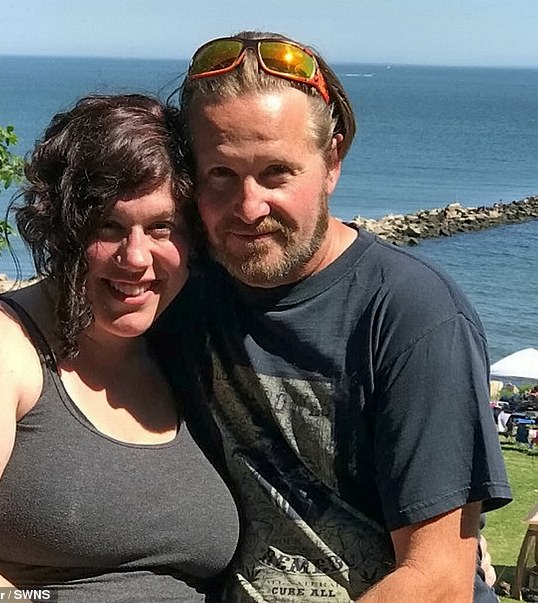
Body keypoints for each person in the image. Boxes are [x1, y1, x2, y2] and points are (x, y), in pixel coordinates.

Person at [169, 31, 513, 602]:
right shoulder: (178, 290)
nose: (249, 208)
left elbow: (438, 580)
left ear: (332, 161)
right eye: (221, 174)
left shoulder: (411, 315)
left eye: (276, 173)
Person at [0, 94, 239, 601]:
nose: (136, 257)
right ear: (61, 231)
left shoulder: (183, 352)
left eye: (162, 227)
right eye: (108, 226)